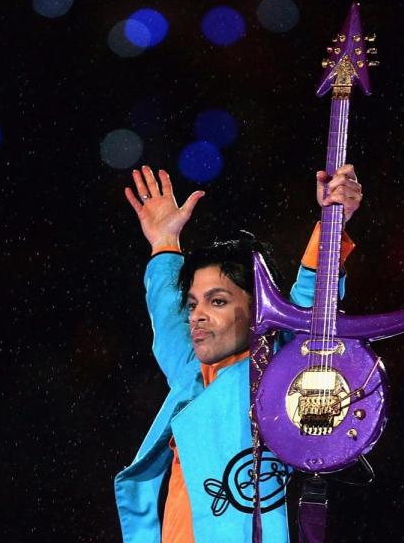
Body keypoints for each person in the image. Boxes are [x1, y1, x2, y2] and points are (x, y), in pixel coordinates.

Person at [114, 165, 362, 543]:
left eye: (217, 301)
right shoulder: (192, 375)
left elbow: (312, 306)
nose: (196, 315)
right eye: (194, 303)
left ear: (260, 310)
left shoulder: (277, 369)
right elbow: (167, 317)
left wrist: (332, 224)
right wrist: (164, 244)